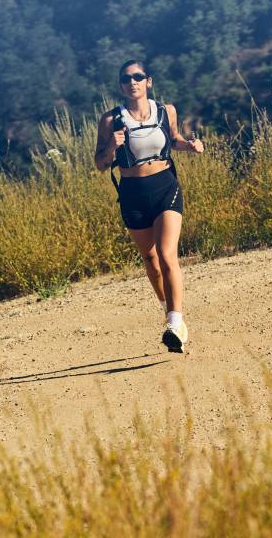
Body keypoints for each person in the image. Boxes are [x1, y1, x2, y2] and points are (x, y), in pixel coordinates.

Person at [94, 60, 204, 353]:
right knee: (150, 260)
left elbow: (174, 139)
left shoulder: (165, 110)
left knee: (168, 255)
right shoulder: (110, 121)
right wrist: (112, 148)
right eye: (126, 79)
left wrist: (190, 145)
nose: (133, 82)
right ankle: (169, 311)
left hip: (165, 186)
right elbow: (100, 163)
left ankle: (174, 324)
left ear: (148, 81)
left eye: (138, 77)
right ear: (120, 86)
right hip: (132, 192)